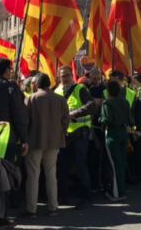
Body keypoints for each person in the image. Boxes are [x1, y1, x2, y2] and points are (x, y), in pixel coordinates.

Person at [23, 73, 69, 217]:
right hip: (54, 141)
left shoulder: (30, 99)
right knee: (51, 174)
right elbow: (65, 120)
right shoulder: (60, 99)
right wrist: (60, 132)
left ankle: (31, 209)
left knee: (33, 176)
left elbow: (25, 122)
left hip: (34, 141)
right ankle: (53, 207)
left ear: (36, 84)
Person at [0, 58, 27, 226]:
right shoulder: (11, 88)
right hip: (8, 138)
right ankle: (5, 210)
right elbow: (19, 115)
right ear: (6, 70)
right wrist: (25, 139)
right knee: (9, 172)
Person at [55, 65, 96, 210]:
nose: (64, 78)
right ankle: (64, 196)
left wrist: (74, 114)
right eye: (62, 76)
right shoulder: (57, 91)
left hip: (79, 132)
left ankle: (86, 197)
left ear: (72, 76)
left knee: (80, 166)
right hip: (65, 135)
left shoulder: (80, 89)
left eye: (66, 75)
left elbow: (92, 106)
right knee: (61, 166)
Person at [99, 80, 132, 201]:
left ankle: (117, 193)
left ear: (107, 92)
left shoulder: (107, 102)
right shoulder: (125, 102)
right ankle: (120, 189)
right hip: (123, 132)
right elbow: (129, 119)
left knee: (115, 164)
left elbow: (106, 119)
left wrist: (99, 119)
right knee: (121, 162)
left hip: (112, 133)